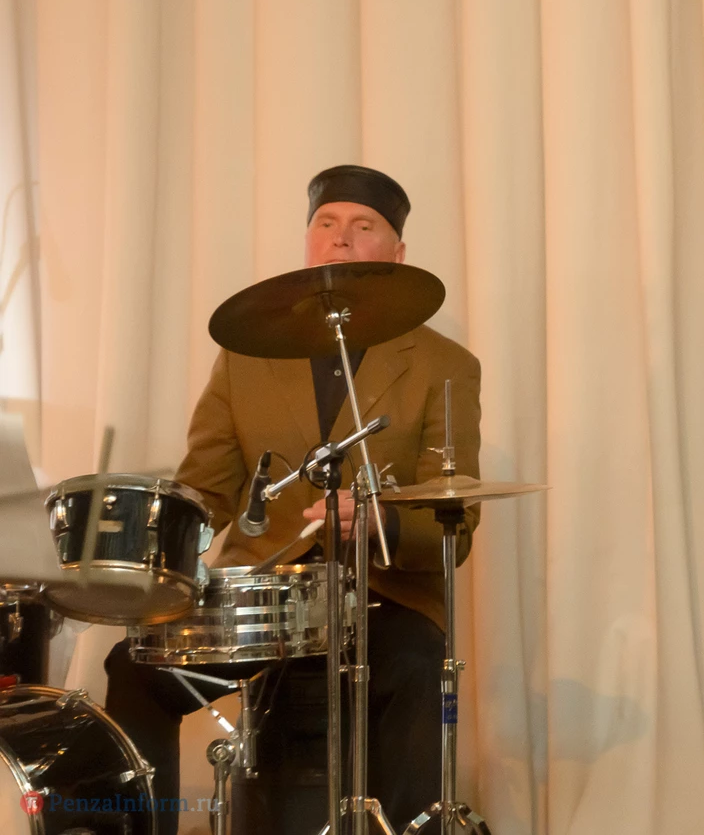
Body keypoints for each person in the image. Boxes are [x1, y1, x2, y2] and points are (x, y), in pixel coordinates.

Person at [104, 164, 481, 834]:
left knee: (418, 665)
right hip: (266, 597)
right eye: (326, 223)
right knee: (135, 667)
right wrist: (146, 545)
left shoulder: (443, 364)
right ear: (308, 241)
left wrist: (379, 522)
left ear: (396, 253)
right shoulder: (245, 355)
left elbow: (456, 521)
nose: (341, 237)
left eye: (363, 225)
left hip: (383, 596)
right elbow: (207, 488)